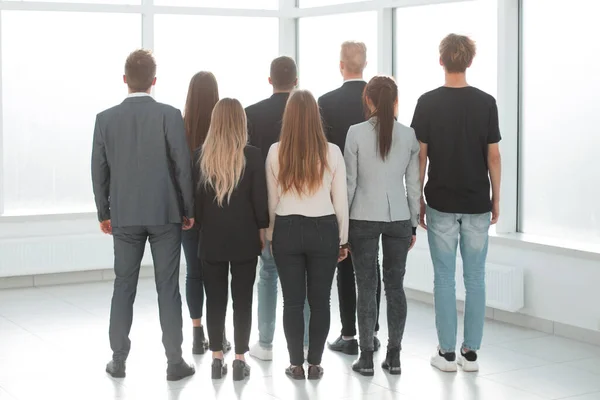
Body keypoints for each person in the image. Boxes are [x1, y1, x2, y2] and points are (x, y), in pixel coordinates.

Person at [91, 49, 195, 381]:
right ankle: (174, 362)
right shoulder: (169, 115)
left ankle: (118, 359)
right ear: (153, 81)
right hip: (166, 213)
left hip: (124, 215)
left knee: (123, 285)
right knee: (168, 288)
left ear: (125, 80)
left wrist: (103, 212)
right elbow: (183, 167)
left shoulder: (105, 119)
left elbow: (99, 171)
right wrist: (188, 210)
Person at [411, 34, 502, 373]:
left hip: (441, 203)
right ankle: (471, 353)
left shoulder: (427, 102)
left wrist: (417, 197)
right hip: (478, 201)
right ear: (469, 62)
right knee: (476, 278)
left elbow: (420, 157)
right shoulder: (486, 102)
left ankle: (447, 353)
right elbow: (494, 156)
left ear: (441, 61)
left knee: (444, 278)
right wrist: (496, 199)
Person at [266, 90, 349, 380]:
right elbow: (341, 202)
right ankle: (315, 363)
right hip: (324, 229)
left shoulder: (276, 151)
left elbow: (271, 202)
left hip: (287, 228)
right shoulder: (333, 151)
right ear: (316, 117)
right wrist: (343, 239)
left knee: (292, 302)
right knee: (321, 301)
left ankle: (295, 365)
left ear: (288, 117)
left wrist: (272, 236)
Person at [345, 76, 420, 376]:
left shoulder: (355, 133)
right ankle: (395, 356)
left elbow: (349, 183)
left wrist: (342, 224)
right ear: (395, 100)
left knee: (366, 286)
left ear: (369, 100)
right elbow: (414, 185)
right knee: (395, 287)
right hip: (399, 218)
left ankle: (365, 358)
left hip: (362, 216)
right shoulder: (409, 135)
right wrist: (413, 223)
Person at [193, 98, 269, 381]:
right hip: (245, 239)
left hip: (211, 239)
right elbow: (259, 202)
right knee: (242, 300)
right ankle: (239, 360)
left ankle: (215, 359)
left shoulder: (200, 156)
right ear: (241, 123)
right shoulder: (253, 155)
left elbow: (196, 207)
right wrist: (262, 230)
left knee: (214, 299)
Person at [319, 41, 382, 355]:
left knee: (344, 264)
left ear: (341, 64)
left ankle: (348, 334)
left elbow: (322, 156)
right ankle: (371, 330)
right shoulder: (378, 102)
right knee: (372, 267)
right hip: (374, 197)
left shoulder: (325, 102)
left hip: (338, 196)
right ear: (365, 63)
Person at [246, 56, 310, 361]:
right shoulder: (310, 114)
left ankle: (266, 343)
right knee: (305, 280)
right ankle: (308, 343)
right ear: (296, 81)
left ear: (270, 80)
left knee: (268, 274)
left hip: (266, 211)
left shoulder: (251, 114)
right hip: (305, 207)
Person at [181, 71, 231, 355]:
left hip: (188, 216)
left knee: (194, 274)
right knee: (217, 274)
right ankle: (219, 333)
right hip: (217, 216)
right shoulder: (221, 130)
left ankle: (197, 332)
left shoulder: (181, 129)